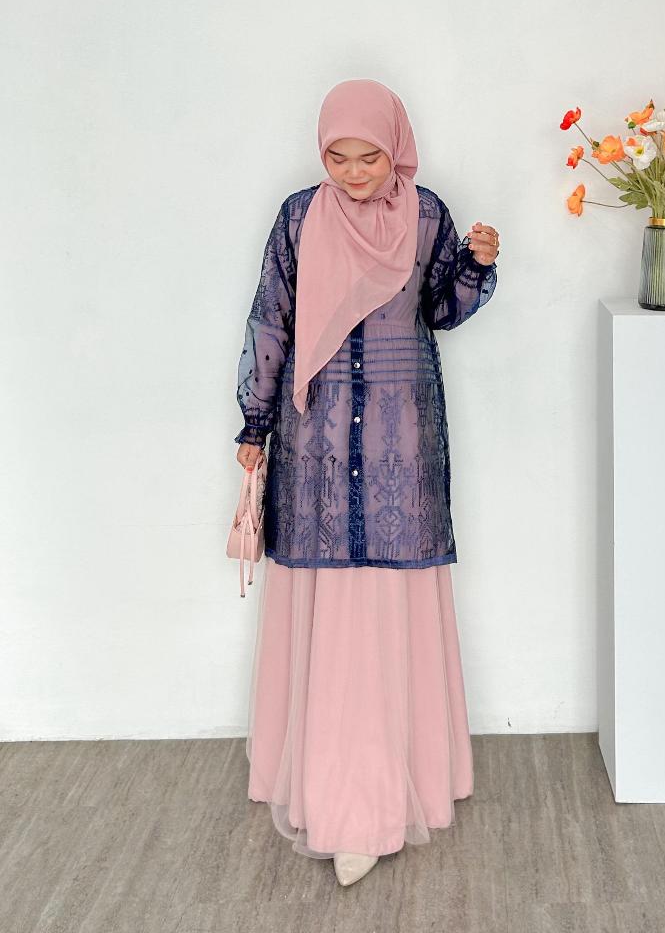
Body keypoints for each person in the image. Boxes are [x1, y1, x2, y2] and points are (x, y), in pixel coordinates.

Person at [233, 78, 500, 886]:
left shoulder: (427, 216)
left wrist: (476, 265)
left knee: (390, 600)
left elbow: (440, 311)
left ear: (396, 149)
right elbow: (271, 318)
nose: (353, 173)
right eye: (338, 157)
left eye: (369, 157)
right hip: (314, 440)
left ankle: (398, 785)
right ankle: (331, 791)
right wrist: (253, 422)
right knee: (329, 603)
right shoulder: (297, 218)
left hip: (397, 444)